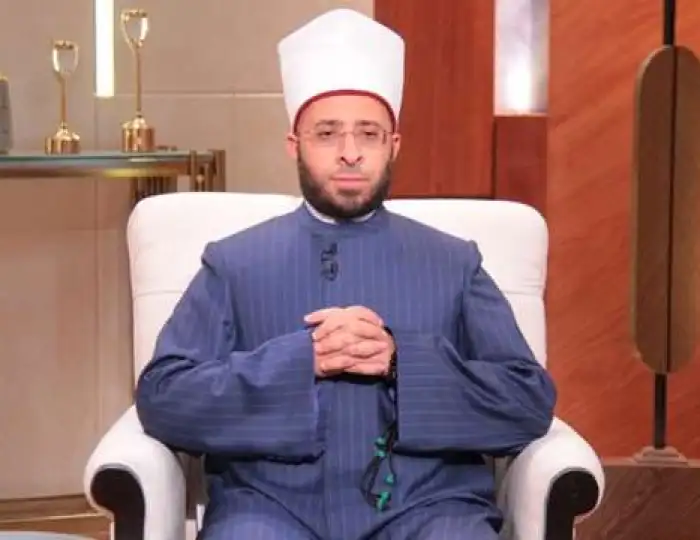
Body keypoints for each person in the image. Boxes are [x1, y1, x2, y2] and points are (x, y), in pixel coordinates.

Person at [134, 8, 557, 540]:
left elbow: (527, 402)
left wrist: (402, 362)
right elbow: (164, 398)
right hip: (269, 507)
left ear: (394, 145)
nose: (350, 153)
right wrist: (298, 362)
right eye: (327, 133)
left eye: (369, 134)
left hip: (430, 506)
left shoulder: (455, 262)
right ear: (294, 145)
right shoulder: (233, 263)